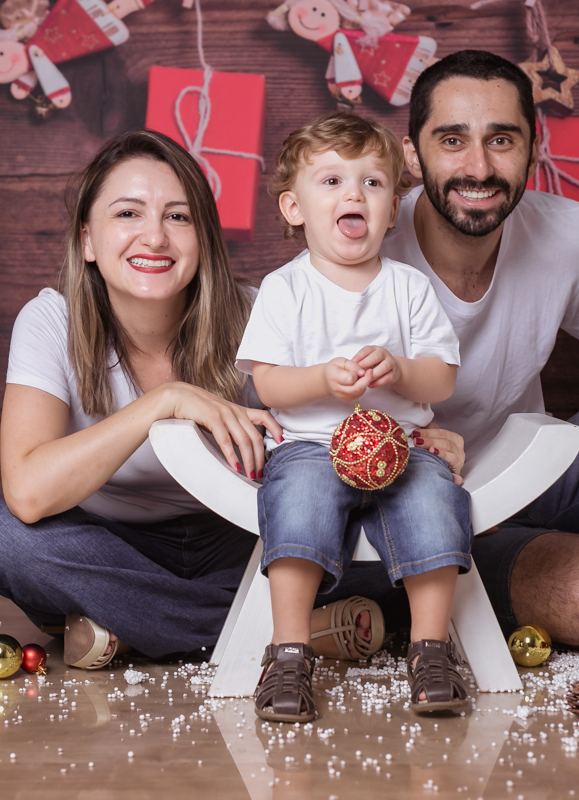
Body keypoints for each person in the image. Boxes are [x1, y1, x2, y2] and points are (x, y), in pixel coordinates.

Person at [0, 129, 395, 670]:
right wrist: (163, 402)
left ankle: (133, 626)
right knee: (5, 538)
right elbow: (28, 494)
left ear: (203, 237)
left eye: (178, 217)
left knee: (401, 533)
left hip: (246, 538)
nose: (154, 238)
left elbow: (340, 417)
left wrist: (414, 436)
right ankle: (288, 629)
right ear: (88, 241)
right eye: (128, 214)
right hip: (111, 545)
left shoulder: (260, 311)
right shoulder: (49, 320)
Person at [379, 50, 579, 648]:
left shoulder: (568, 231)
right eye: (451, 139)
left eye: (501, 139)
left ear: (533, 149)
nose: (479, 167)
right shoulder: (361, 242)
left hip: (538, 471)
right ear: (411, 155)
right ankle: (411, 604)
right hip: (416, 514)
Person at [238, 113, 473, 722]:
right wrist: (320, 380)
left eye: (372, 184)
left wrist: (398, 369)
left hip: (402, 445)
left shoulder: (408, 288)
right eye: (332, 181)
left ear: (392, 211)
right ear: (294, 208)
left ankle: (430, 648)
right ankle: (289, 651)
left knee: (434, 501)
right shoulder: (284, 289)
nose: (353, 195)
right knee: (297, 504)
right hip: (313, 444)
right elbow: (266, 382)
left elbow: (441, 376)